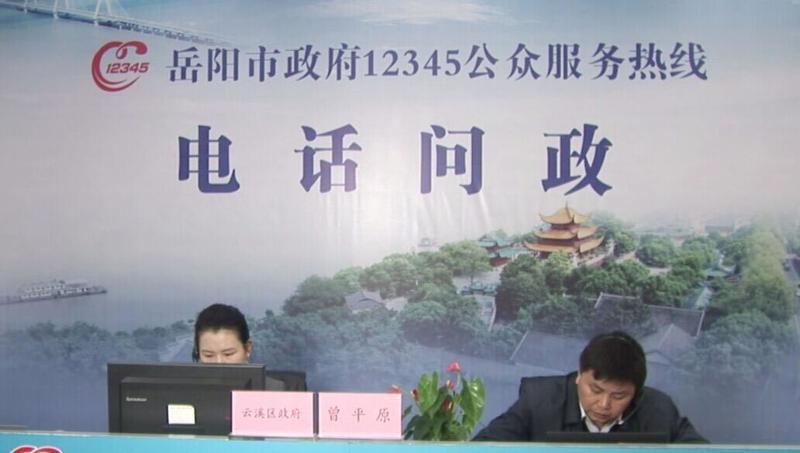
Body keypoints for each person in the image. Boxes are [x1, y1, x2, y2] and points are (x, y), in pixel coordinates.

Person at [473, 330, 706, 443]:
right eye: (595, 390)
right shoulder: (538, 400)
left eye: (619, 396)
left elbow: (701, 450)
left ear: (636, 392)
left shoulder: (659, 408)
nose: (604, 404)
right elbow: (485, 447)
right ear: (579, 376)